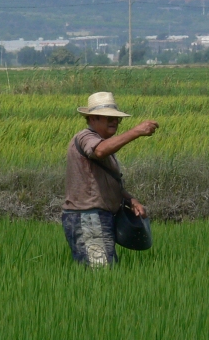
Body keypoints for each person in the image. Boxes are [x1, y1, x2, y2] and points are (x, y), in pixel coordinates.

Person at [62, 92, 159, 267]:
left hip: (97, 216)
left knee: (102, 269)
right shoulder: (86, 137)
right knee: (100, 271)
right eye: (108, 118)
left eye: (117, 119)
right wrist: (136, 131)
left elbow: (107, 181)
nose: (114, 121)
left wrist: (131, 200)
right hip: (88, 217)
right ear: (93, 118)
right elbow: (99, 151)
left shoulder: (102, 142)